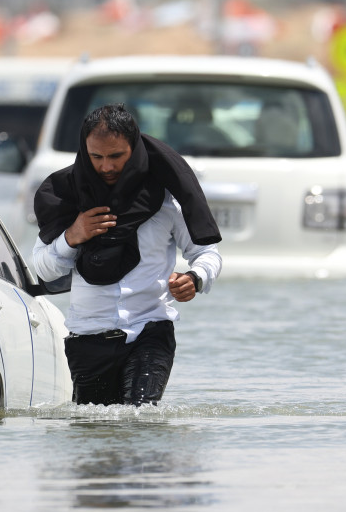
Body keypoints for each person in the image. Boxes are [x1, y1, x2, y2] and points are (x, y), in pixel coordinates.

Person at [31, 103, 223, 406]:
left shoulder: (164, 199)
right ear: (84, 153)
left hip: (151, 331)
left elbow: (206, 252)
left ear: (133, 149)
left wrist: (195, 278)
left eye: (116, 156)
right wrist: (73, 236)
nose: (106, 167)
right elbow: (44, 270)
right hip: (87, 338)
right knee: (93, 434)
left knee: (140, 418)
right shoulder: (66, 198)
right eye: (97, 157)